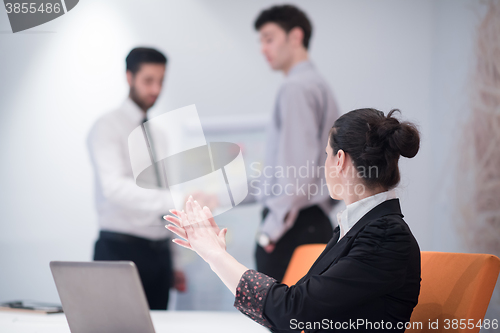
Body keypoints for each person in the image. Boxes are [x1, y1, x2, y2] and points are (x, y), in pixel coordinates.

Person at [164, 108, 421, 332]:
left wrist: (216, 257)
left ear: (340, 160)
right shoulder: (361, 227)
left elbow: (292, 311)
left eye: (326, 155)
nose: (324, 165)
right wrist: (216, 256)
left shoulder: (384, 236)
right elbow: (293, 312)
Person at [87, 47, 186, 310]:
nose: (155, 89)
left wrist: (175, 261)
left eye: (161, 81)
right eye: (148, 81)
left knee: (158, 327)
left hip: (160, 255)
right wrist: (177, 198)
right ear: (129, 77)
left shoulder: (160, 135)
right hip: (120, 250)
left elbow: (166, 199)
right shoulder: (107, 127)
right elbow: (114, 188)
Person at [251, 4, 341, 282]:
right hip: (312, 222)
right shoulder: (318, 84)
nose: (263, 48)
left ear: (296, 36)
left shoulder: (296, 88)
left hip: (293, 229)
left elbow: (295, 175)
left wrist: (270, 231)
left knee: (286, 320)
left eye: (269, 38)